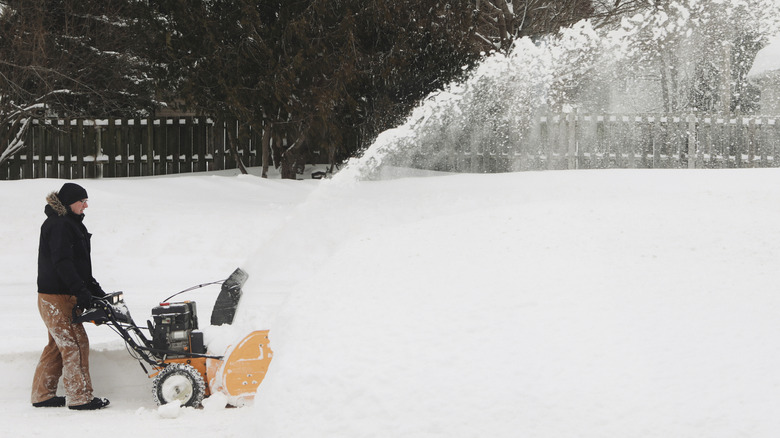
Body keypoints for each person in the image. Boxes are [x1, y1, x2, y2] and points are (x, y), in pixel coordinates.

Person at [31, 182, 110, 410]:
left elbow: (79, 266)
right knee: (75, 343)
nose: (85, 206)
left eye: (86, 201)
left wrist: (95, 291)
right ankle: (80, 397)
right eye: (82, 201)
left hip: (59, 295)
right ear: (69, 203)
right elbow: (63, 263)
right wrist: (80, 290)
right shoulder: (60, 225)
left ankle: (42, 395)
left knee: (58, 345)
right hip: (57, 296)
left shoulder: (70, 224)